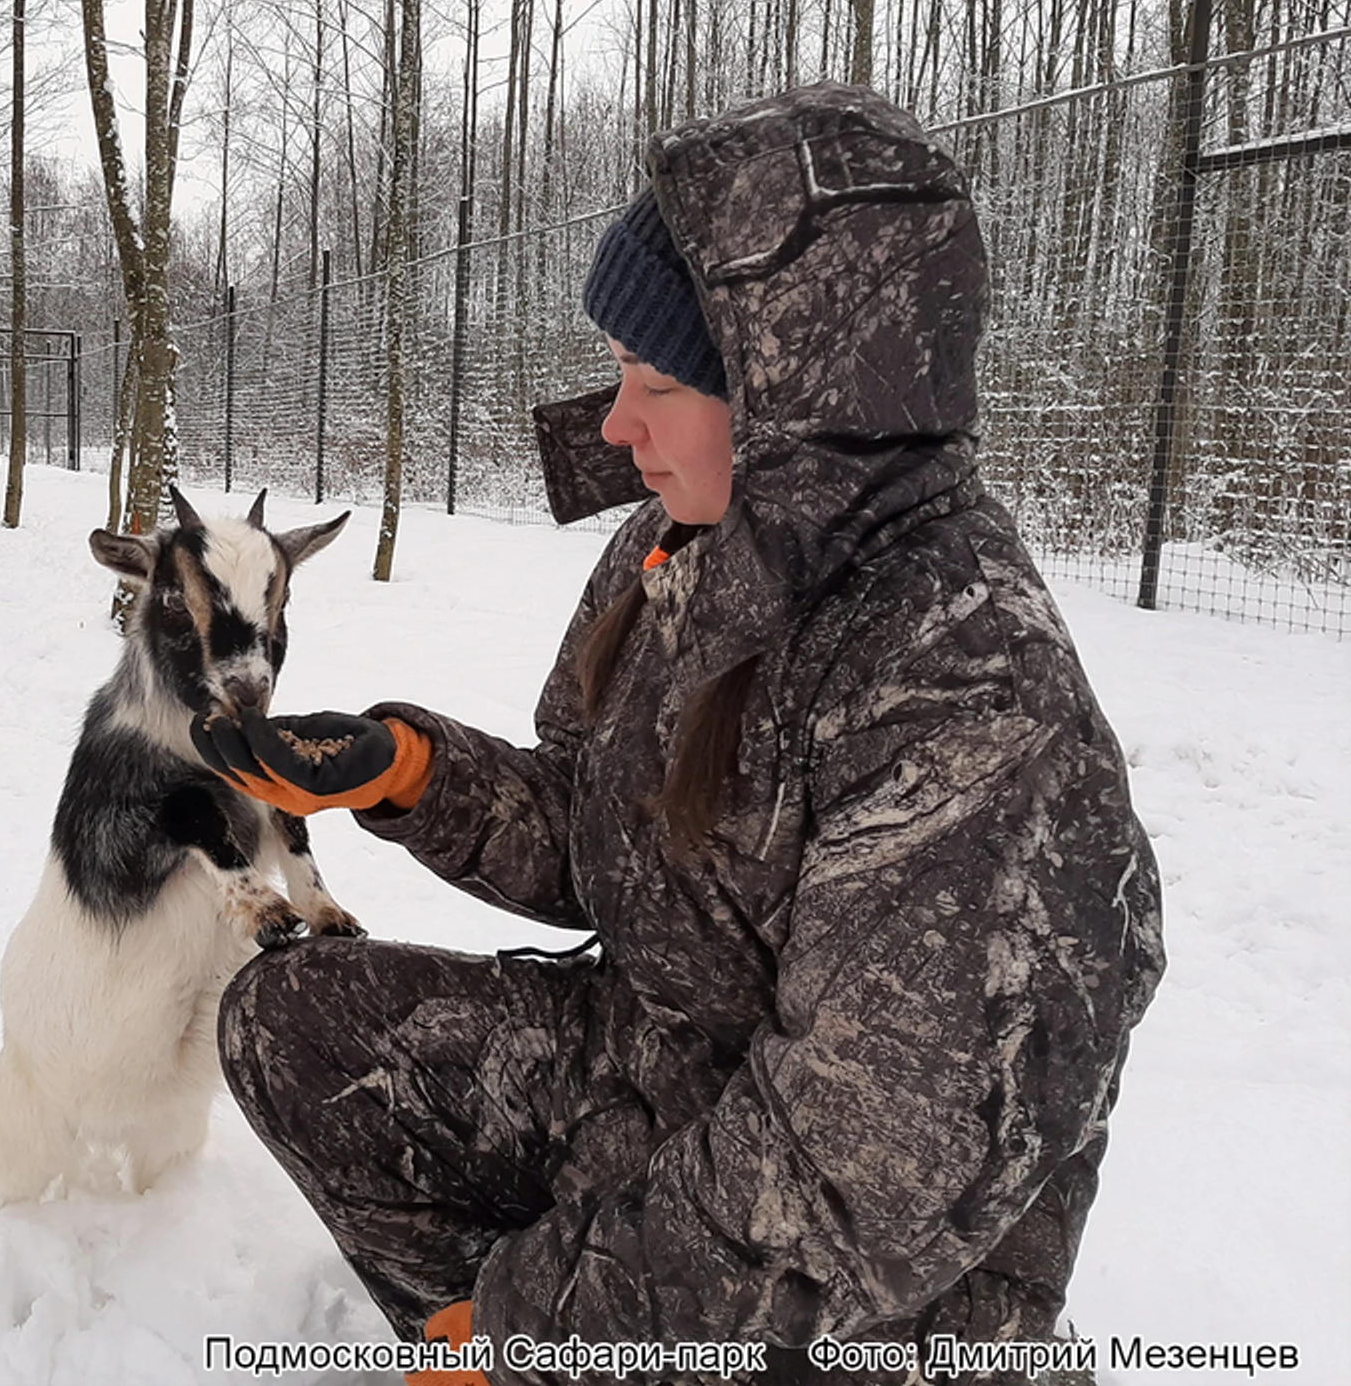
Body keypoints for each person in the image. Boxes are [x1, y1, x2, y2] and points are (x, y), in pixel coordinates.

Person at [193, 83, 1165, 1386]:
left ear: (794, 404)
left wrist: (527, 1323)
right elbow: (619, 856)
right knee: (293, 1027)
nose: (610, 428)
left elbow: (842, 1183)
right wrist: (412, 771)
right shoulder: (677, 548)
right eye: (614, 375)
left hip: (879, 1294)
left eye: (656, 384)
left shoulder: (967, 701)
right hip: (656, 1079)